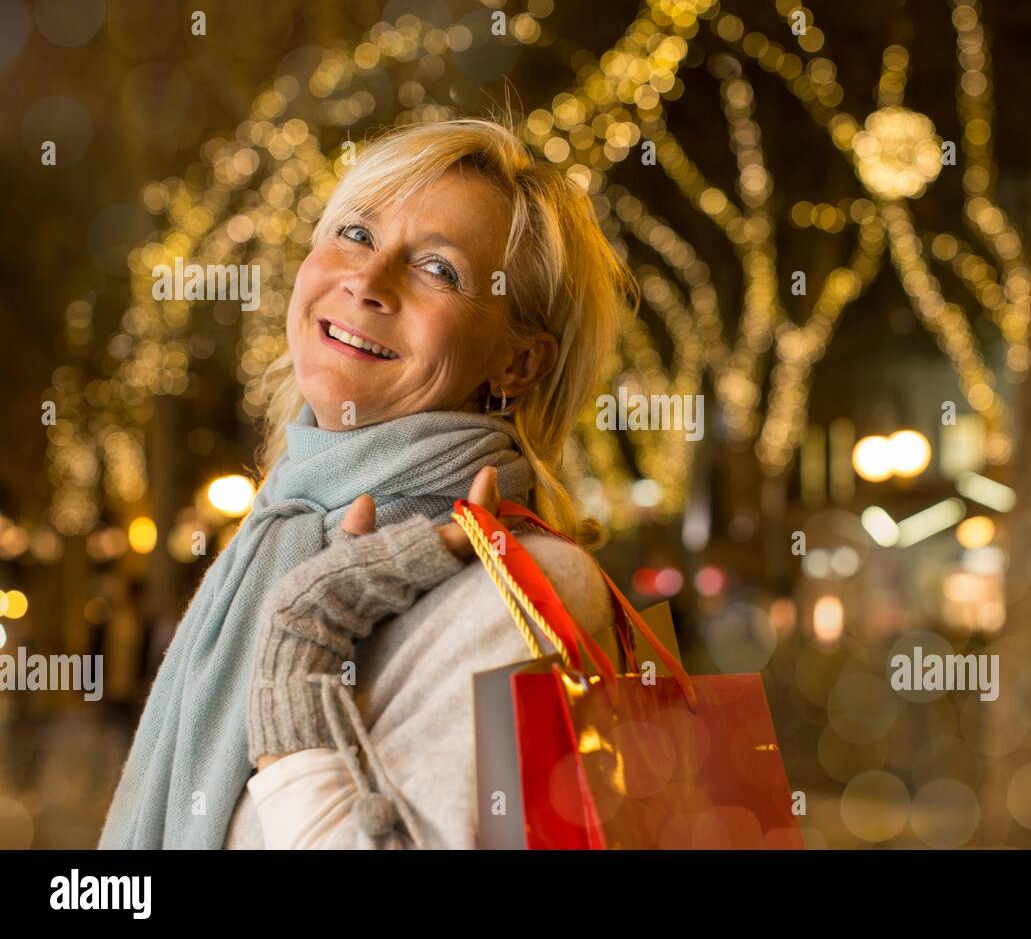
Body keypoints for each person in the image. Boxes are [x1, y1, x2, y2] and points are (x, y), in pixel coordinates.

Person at [98, 116, 637, 849]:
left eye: (439, 270)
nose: (367, 281)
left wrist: (302, 660)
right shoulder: (278, 530)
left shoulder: (520, 590)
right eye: (355, 233)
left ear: (518, 365)